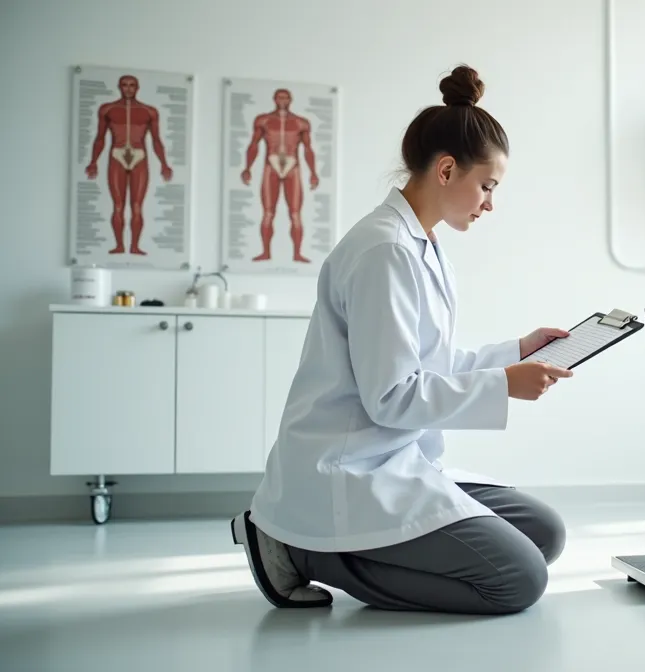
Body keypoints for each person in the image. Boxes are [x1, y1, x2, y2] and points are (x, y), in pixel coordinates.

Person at [230, 64, 574, 615]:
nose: (490, 203)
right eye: (487, 186)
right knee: (517, 581)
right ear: (445, 169)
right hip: (345, 469)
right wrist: (502, 386)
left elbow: (431, 363)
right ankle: (300, 550)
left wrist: (516, 353)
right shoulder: (385, 251)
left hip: (394, 455)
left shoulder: (423, 245)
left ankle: (333, 545)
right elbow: (391, 397)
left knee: (545, 533)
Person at [85, 74, 173, 256]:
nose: (128, 88)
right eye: (124, 85)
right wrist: (93, 161)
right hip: (116, 155)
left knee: (137, 206)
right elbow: (99, 138)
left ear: (137, 87)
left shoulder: (149, 111)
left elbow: (156, 140)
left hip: (139, 156)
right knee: (117, 205)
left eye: (132, 85)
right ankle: (119, 245)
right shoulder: (107, 109)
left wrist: (164, 163)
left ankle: (134, 246)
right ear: (119, 87)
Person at [240, 87, 318, 264]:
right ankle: (266, 252)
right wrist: (247, 168)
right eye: (279, 97)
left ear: (290, 100)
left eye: (286, 98)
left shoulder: (301, 123)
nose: (282, 101)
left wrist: (313, 172)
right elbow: (254, 145)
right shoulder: (264, 120)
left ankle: (297, 253)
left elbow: (308, 149)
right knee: (268, 213)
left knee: (296, 214)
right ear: (274, 99)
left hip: (293, 167)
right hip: (271, 166)